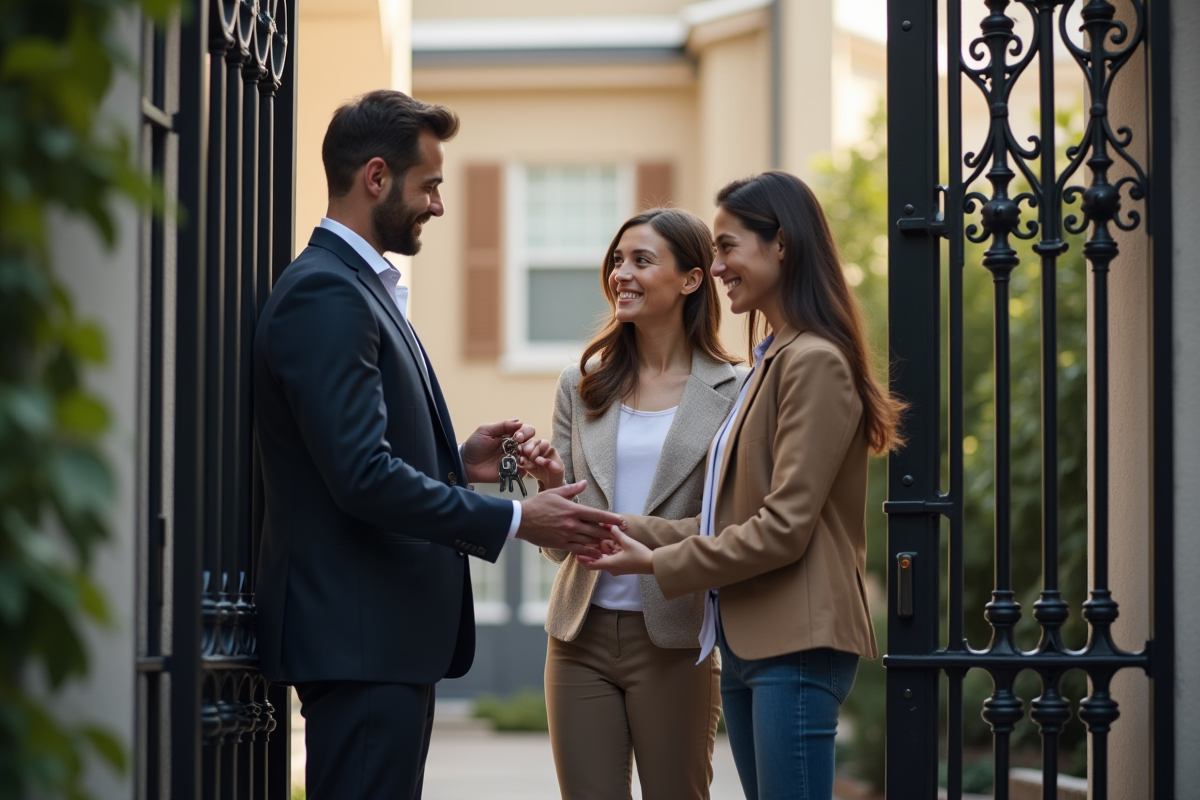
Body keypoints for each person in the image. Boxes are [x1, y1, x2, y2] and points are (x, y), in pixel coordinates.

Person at [252, 90, 624, 800]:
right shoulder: (327, 295)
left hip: (377, 639)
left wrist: (460, 464)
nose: (439, 206)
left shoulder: (356, 287)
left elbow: (352, 454)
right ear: (375, 178)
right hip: (361, 638)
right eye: (431, 186)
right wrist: (518, 518)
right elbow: (360, 476)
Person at [580, 172, 905, 800]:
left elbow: (783, 528)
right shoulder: (771, 359)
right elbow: (725, 518)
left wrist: (659, 562)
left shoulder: (814, 360)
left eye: (728, 246)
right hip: (751, 637)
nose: (719, 263)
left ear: (779, 243)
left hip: (797, 641)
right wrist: (614, 526)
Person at [539, 208, 747, 799]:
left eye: (641, 260)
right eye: (617, 260)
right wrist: (552, 488)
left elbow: (729, 526)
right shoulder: (581, 383)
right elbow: (558, 549)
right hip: (577, 637)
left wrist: (627, 528)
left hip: (676, 637)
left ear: (691, 279)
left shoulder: (737, 389)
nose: (620, 273)